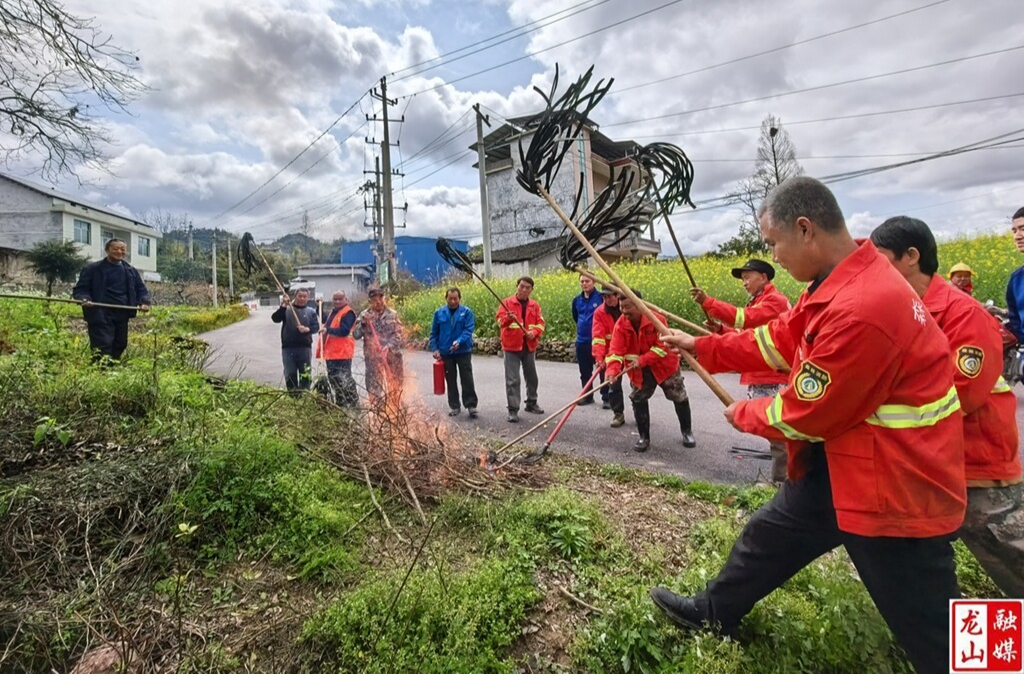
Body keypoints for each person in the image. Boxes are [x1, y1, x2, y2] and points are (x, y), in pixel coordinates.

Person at [653, 177, 965, 674]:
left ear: (805, 229)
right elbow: (779, 339)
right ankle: (715, 611)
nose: (773, 256)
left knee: (942, 629)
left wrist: (746, 414)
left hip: (896, 487)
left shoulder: (862, 307)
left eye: (773, 243)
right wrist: (705, 348)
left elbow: (810, 412)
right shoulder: (839, 279)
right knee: (768, 536)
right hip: (846, 464)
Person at [871, 216, 1023, 598]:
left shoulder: (963, 314)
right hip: (935, 465)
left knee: (1010, 558)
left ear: (911, 256)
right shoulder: (903, 309)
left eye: (880, 259)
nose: (873, 271)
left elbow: (962, 397)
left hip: (978, 466)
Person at [691, 259, 791, 482]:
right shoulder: (758, 300)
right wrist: (720, 329)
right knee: (773, 430)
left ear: (763, 278)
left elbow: (745, 320)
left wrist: (708, 302)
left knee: (779, 432)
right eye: (743, 279)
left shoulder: (775, 301)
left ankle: (782, 482)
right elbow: (744, 337)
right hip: (762, 373)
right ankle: (783, 480)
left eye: (748, 277)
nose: (744, 283)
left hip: (773, 375)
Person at [605, 290, 696, 452]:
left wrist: (641, 360)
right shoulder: (621, 324)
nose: (624, 311)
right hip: (639, 371)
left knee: (679, 397)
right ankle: (643, 437)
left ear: (640, 305)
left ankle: (687, 432)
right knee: (638, 398)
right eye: (621, 307)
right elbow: (615, 351)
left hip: (664, 366)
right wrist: (612, 371)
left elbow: (662, 348)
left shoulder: (657, 319)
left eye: (627, 307)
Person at [72, 238, 152, 362]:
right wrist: (85, 299)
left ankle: (112, 367)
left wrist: (144, 302)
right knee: (103, 344)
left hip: (122, 312)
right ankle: (100, 371)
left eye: (122, 249)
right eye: (115, 249)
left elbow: (141, 289)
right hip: (100, 312)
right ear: (107, 250)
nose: (119, 252)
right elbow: (81, 289)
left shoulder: (130, 271)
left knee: (120, 343)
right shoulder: (93, 269)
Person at [497, 276, 545, 423]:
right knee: (512, 380)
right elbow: (500, 322)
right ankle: (513, 410)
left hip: (528, 346)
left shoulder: (534, 306)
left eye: (527, 287)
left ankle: (531, 403)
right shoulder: (506, 303)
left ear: (531, 290)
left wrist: (534, 333)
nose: (524, 290)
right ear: (517, 286)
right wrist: (509, 318)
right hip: (511, 346)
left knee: (532, 377)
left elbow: (541, 323)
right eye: (521, 286)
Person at [429, 287, 478, 418]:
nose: (453, 301)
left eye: (455, 298)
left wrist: (459, 341)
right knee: (450, 380)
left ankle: (471, 405)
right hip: (446, 352)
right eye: (450, 298)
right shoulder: (439, 313)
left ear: (459, 299)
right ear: (446, 299)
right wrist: (435, 349)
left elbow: (468, 330)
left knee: (467, 378)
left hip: (463, 351)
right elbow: (434, 333)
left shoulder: (467, 313)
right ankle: (454, 406)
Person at [353, 288, 404, 401]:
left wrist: (388, 347)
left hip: (392, 356)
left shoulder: (392, 314)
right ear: (370, 301)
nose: (379, 302)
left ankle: (395, 410)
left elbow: (399, 334)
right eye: (375, 299)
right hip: (373, 357)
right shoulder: (364, 315)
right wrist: (363, 324)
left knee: (396, 385)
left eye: (381, 298)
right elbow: (355, 335)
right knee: (374, 388)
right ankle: (377, 412)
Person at [271, 288, 320, 392]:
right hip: (288, 348)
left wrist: (308, 329)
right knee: (290, 374)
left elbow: (316, 327)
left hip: (305, 348)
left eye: (304, 296)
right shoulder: (287, 310)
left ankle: (305, 395)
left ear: (308, 298)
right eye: (300, 296)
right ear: (295, 296)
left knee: (305, 374)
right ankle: (293, 398)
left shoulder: (311, 312)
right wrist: (283, 305)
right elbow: (275, 319)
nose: (302, 298)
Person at [317, 290, 358, 407]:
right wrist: (319, 306)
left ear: (346, 299)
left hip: (342, 353)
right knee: (334, 380)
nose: (337, 301)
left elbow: (344, 331)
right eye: (335, 299)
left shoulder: (348, 313)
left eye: (340, 299)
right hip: (332, 353)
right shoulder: (334, 312)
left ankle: (353, 404)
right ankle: (341, 404)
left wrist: (327, 330)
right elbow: (325, 320)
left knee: (345, 380)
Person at [591, 287, 625, 427]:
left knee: (637, 386)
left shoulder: (626, 307)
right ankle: (618, 414)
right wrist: (599, 358)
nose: (607, 300)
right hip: (612, 353)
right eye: (604, 297)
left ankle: (640, 414)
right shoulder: (599, 312)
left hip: (630, 352)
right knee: (613, 384)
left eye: (609, 297)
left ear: (617, 295)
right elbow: (598, 337)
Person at [571, 274, 604, 405]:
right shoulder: (576, 300)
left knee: (602, 370)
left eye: (587, 281)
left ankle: (606, 397)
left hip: (597, 340)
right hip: (582, 341)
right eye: (582, 281)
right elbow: (575, 316)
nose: (584, 284)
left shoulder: (601, 298)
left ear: (594, 281)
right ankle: (587, 395)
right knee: (585, 371)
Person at [1005, 207, 1024, 342]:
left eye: (1023, 229)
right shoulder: (1017, 279)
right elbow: (1015, 321)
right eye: (1014, 230)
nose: (1017, 236)